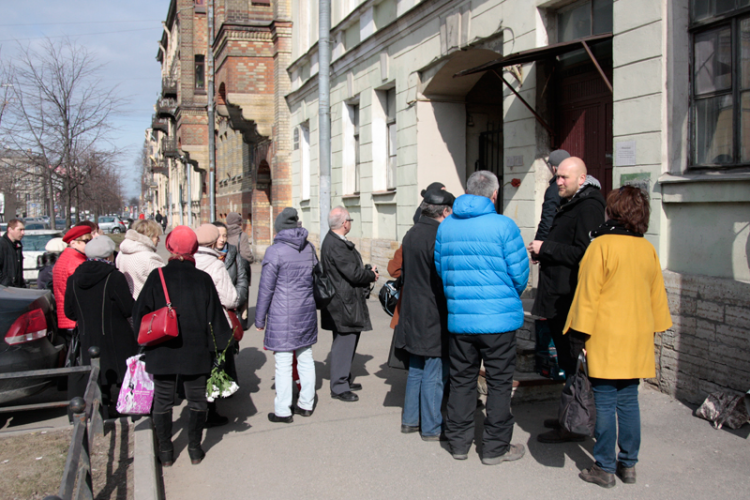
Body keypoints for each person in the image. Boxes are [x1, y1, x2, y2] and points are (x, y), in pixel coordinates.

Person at [563, 186, 672, 488]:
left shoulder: (600, 245)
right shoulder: (646, 248)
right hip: (636, 337)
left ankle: (605, 466)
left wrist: (578, 334)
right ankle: (629, 465)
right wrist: (655, 328)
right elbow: (657, 297)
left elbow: (587, 295)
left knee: (606, 401)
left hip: (605, 336)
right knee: (629, 401)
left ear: (612, 211)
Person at [434, 170, 529, 465]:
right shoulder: (504, 225)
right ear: (494, 194)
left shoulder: (447, 226)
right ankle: (494, 448)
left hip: (462, 318)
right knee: (500, 383)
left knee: (462, 381)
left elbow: (441, 270)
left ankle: (459, 443)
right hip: (498, 320)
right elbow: (520, 274)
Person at [133, 226, 233, 466]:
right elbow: (216, 318)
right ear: (195, 249)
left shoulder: (157, 277)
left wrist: (145, 343)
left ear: (169, 247)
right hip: (196, 350)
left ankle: (166, 452)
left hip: (162, 348)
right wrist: (220, 347)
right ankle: (195, 448)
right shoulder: (203, 278)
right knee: (197, 400)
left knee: (163, 399)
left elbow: (140, 314)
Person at [529, 156, 606, 444]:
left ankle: (576, 424)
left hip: (571, 298)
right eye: (557, 177)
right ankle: (570, 415)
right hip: (559, 297)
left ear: (581, 179)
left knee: (575, 363)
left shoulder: (589, 206)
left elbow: (584, 254)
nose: (558, 182)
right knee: (566, 361)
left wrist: (546, 247)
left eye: (564, 178)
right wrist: (542, 252)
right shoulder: (570, 201)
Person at [395, 189, 454, 441]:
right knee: (434, 368)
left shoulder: (412, 233)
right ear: (446, 211)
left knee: (417, 366)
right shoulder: (439, 235)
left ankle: (410, 419)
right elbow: (443, 277)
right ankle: (431, 427)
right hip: (432, 310)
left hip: (412, 308)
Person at [255, 208, 318, 423]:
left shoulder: (275, 251)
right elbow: (317, 277)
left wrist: (259, 318)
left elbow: (266, 288)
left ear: (279, 228)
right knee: (306, 358)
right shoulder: (309, 247)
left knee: (282, 362)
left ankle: (283, 410)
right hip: (306, 311)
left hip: (282, 314)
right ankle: (306, 404)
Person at [64, 236, 139, 416]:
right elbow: (128, 308)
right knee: (122, 376)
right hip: (117, 336)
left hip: (87, 335)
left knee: (96, 376)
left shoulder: (74, 278)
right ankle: (126, 409)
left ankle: (101, 411)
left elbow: (69, 312)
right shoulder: (114, 277)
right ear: (109, 256)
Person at [320, 206, 379, 402]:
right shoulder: (336, 244)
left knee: (347, 341)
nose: (350, 223)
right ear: (345, 223)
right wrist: (371, 275)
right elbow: (353, 273)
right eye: (350, 220)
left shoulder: (335, 240)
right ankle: (339, 386)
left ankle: (343, 378)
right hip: (343, 302)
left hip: (343, 300)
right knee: (344, 342)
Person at [194, 223, 238, 427]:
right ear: (213, 241)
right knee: (213, 366)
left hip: (192, 321)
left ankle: (197, 408)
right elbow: (230, 298)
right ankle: (210, 412)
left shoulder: (190, 260)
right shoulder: (215, 264)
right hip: (213, 320)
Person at [533, 149, 570, 381]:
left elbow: (547, 219)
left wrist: (540, 248)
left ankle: (559, 364)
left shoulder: (555, 189)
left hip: (555, 255)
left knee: (552, 313)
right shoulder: (590, 189)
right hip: (571, 257)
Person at [54, 225, 93, 344]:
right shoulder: (75, 263)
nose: (89, 244)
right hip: (75, 320)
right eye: (86, 241)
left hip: (68, 319)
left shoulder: (67, 257)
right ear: (73, 243)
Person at [116, 220, 165, 299]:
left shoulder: (121, 253)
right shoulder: (150, 258)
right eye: (156, 237)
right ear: (149, 236)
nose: (159, 240)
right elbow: (165, 283)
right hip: (146, 304)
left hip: (127, 301)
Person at [212, 221, 249, 326]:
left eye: (224, 236)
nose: (222, 239)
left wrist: (237, 299)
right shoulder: (206, 256)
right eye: (218, 236)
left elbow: (242, 280)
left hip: (230, 309)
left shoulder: (234, 253)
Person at [225, 212, 254, 326]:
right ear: (238, 223)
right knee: (243, 292)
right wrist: (251, 258)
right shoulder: (242, 236)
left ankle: (229, 318)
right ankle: (243, 318)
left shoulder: (224, 234)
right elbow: (246, 254)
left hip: (227, 268)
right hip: (240, 269)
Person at [0, 219, 26, 287]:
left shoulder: (18, 246)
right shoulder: (2, 245)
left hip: (17, 289)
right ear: (10, 229)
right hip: (5, 290)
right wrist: (5, 284)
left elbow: (18, 270)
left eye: (23, 230)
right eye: (20, 230)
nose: (23, 233)